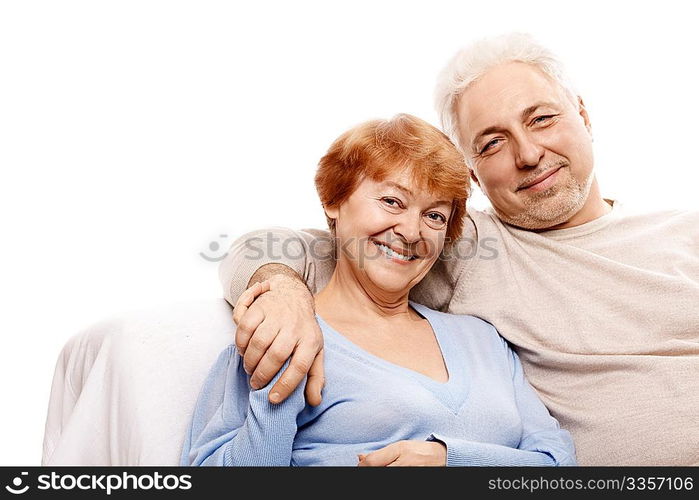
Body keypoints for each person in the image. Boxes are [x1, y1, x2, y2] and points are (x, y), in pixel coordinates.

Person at [218, 34, 699, 466]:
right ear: (472, 173)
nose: (528, 154)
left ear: (584, 115)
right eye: (492, 143)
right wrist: (281, 287)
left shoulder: (685, 232)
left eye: (543, 119)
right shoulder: (465, 244)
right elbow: (285, 245)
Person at [180, 114, 576, 466]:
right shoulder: (278, 336)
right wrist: (281, 389)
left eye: (434, 215)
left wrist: (449, 461)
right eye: (391, 201)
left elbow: (558, 464)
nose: (410, 231)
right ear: (334, 200)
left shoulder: (482, 340)